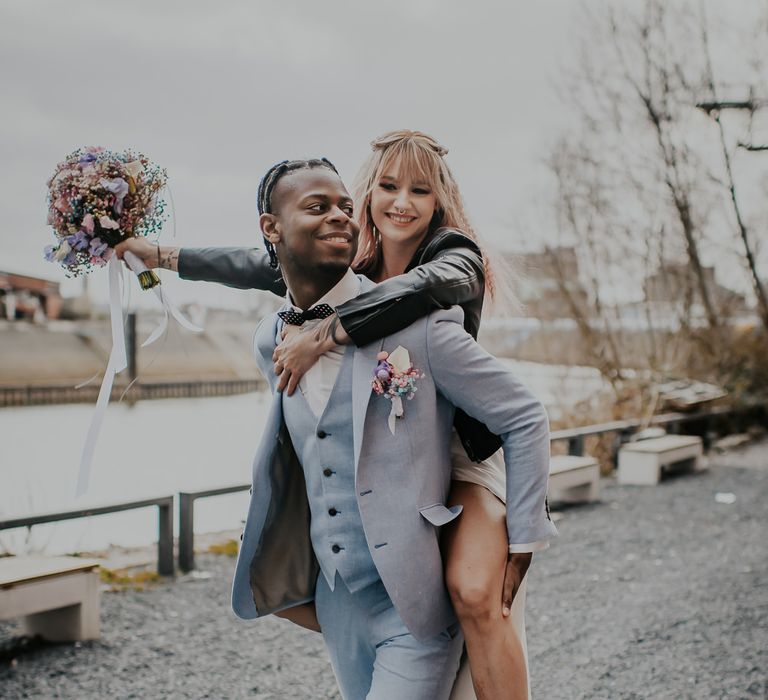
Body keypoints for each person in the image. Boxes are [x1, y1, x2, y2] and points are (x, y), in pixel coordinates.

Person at [116, 130, 547, 699]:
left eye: (419, 191)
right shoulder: (352, 254)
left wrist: (331, 330)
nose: (401, 201)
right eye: (387, 186)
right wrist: (163, 257)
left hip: (463, 453)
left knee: (473, 591)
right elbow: (261, 261)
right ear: (370, 192)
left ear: (439, 202)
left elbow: (434, 294)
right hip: (378, 497)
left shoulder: (452, 256)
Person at [227, 157, 555, 699]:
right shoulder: (270, 339)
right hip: (336, 601)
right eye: (318, 207)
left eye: (341, 207)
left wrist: (525, 535)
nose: (339, 216)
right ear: (271, 228)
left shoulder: (422, 322)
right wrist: (159, 256)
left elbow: (523, 415)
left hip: (412, 602)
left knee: (477, 593)